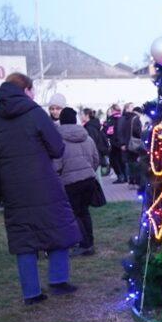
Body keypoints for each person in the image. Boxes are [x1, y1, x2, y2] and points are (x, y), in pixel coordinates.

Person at [0, 73, 81, 304]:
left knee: (23, 237)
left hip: (12, 187)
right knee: (57, 228)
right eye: (33, 89)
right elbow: (57, 148)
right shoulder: (35, 113)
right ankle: (58, 280)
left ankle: (31, 293)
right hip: (43, 182)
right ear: (25, 90)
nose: (34, 94)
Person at [55, 108, 101, 256]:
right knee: (84, 212)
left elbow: (57, 165)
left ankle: (84, 244)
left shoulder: (58, 140)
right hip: (88, 180)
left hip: (70, 182)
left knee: (74, 214)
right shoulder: (87, 138)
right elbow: (96, 160)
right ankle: (90, 242)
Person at [104, 104, 128, 183]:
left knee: (114, 160)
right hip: (120, 142)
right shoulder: (123, 118)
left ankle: (120, 176)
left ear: (113, 110)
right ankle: (124, 176)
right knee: (121, 160)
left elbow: (109, 132)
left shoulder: (112, 119)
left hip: (115, 143)